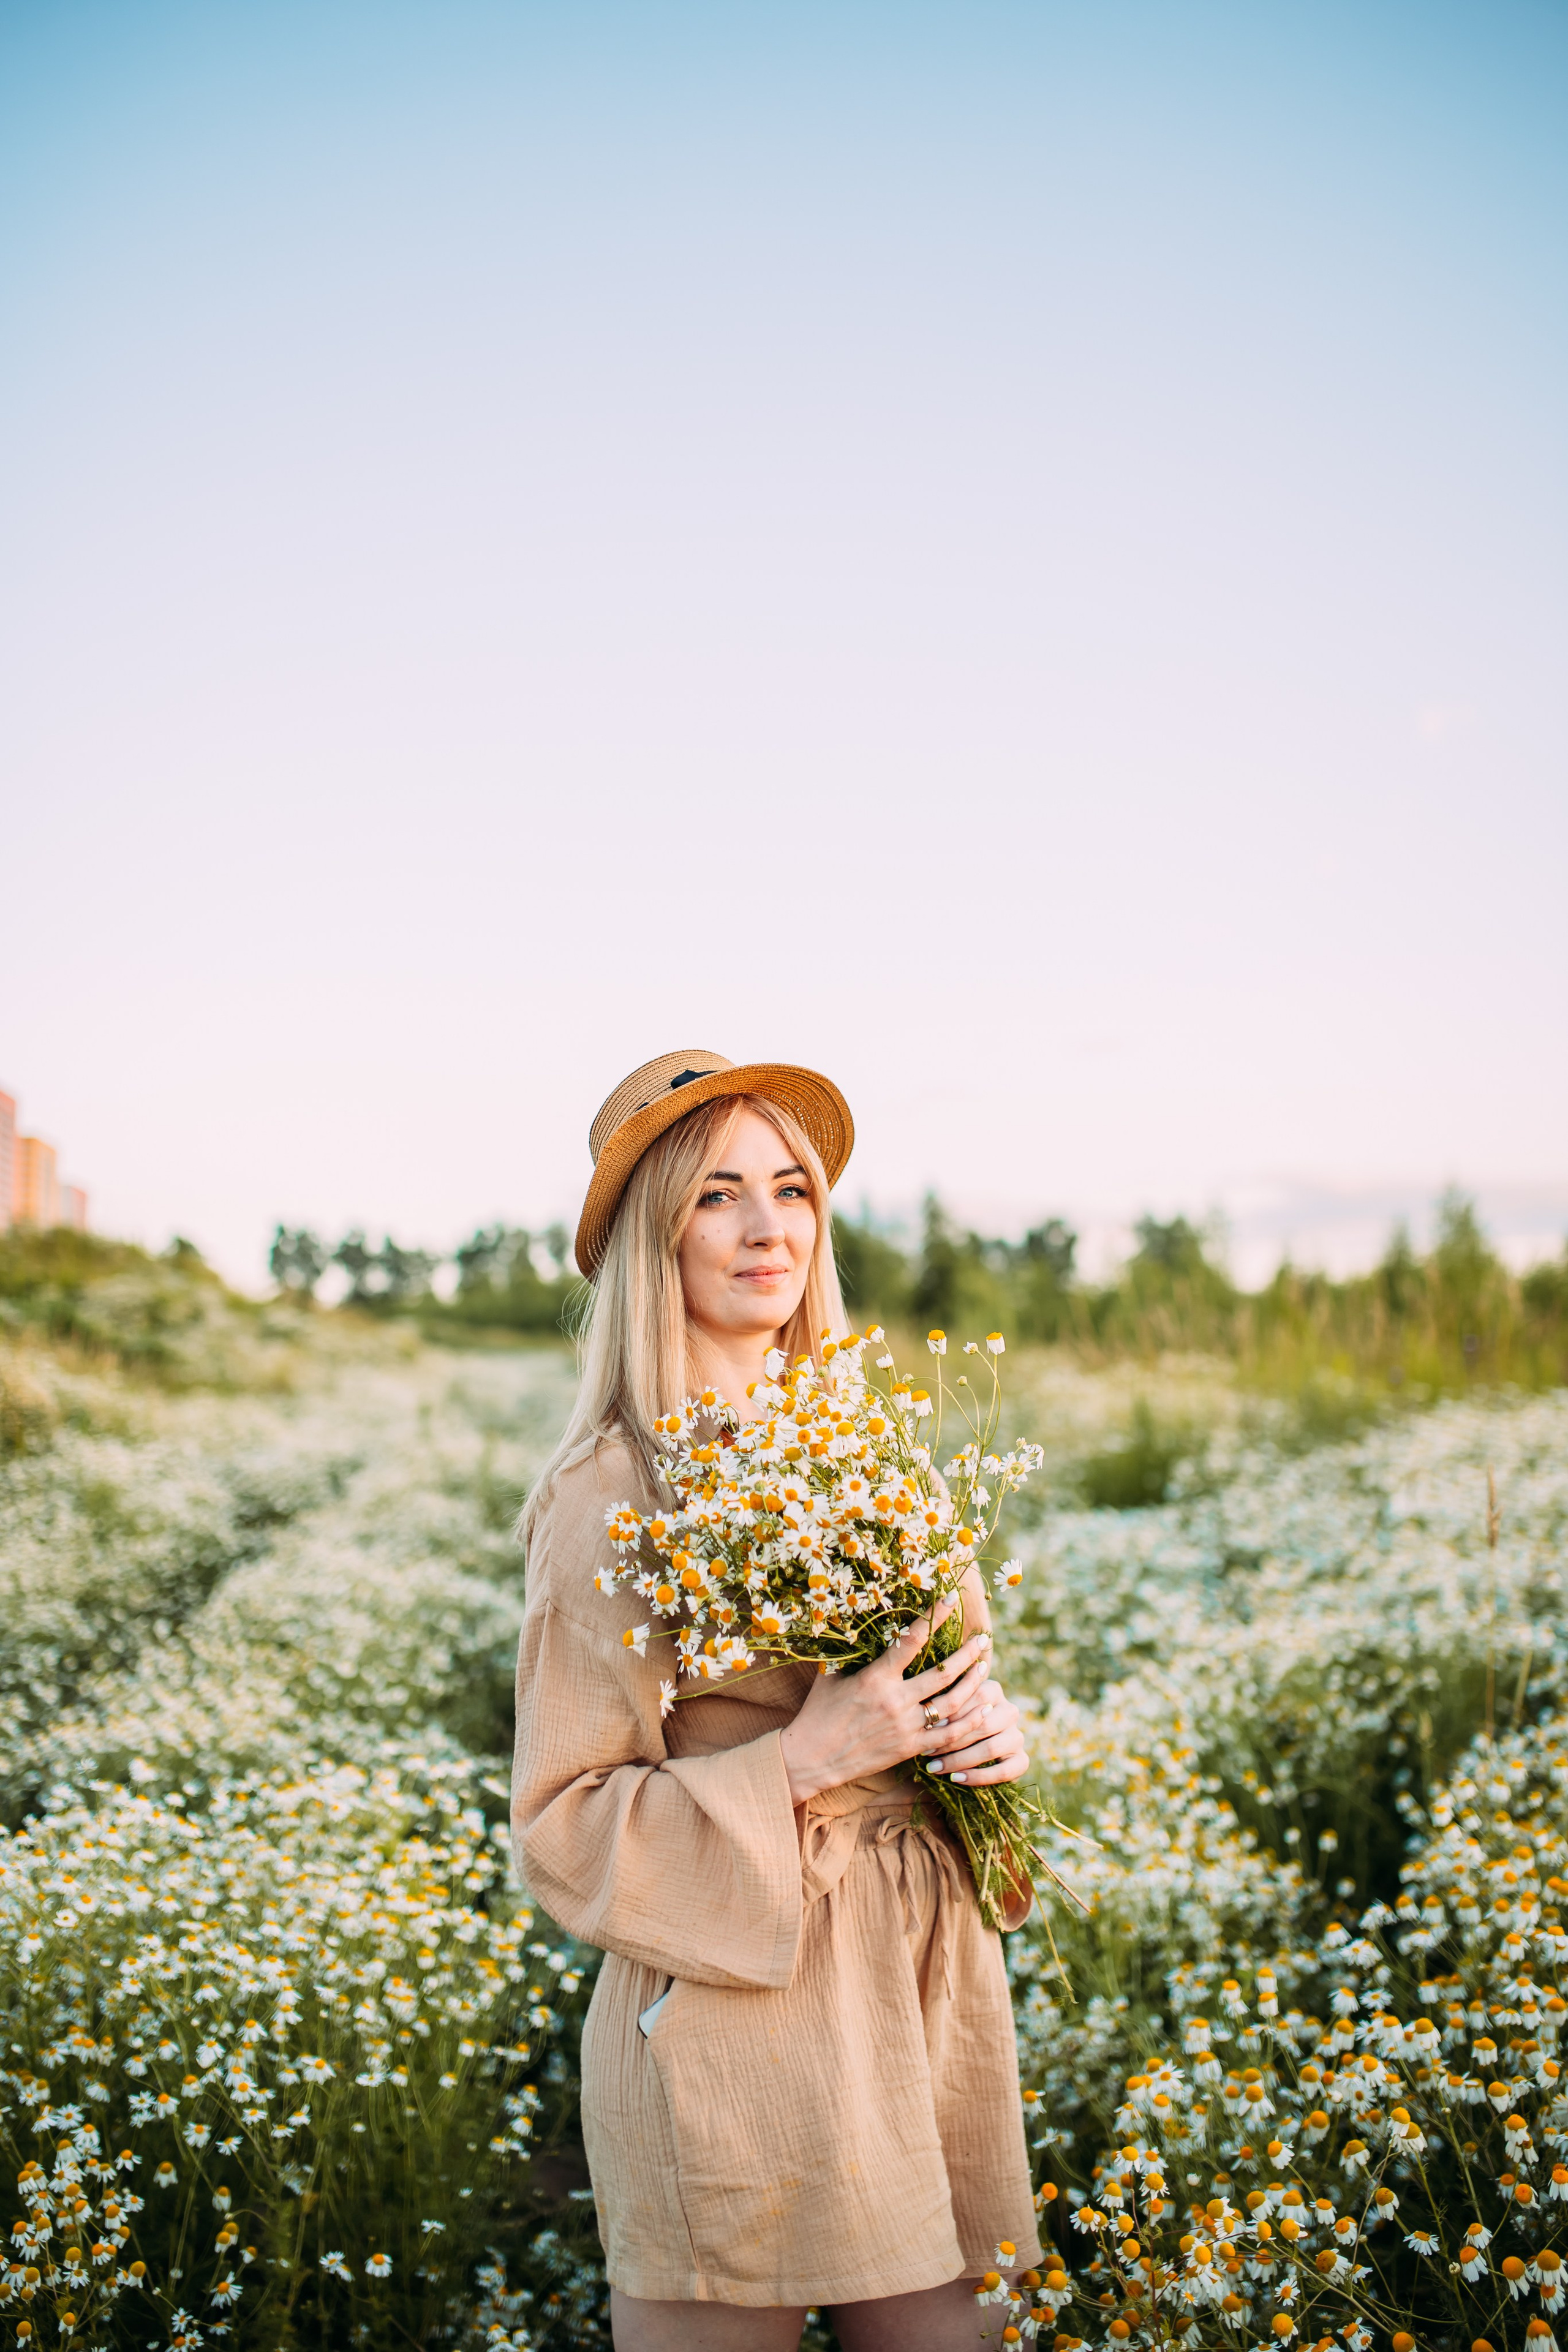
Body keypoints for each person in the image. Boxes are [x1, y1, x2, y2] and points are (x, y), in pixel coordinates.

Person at [512, 1050, 1041, 2352]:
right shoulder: (610, 1494)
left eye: (791, 1188)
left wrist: (989, 1743)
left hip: (914, 1988)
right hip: (733, 2008)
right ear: (653, 1237)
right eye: (716, 1196)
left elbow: (935, 1687)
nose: (767, 1228)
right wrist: (802, 1763)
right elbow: (561, 1824)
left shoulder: (871, 1453)